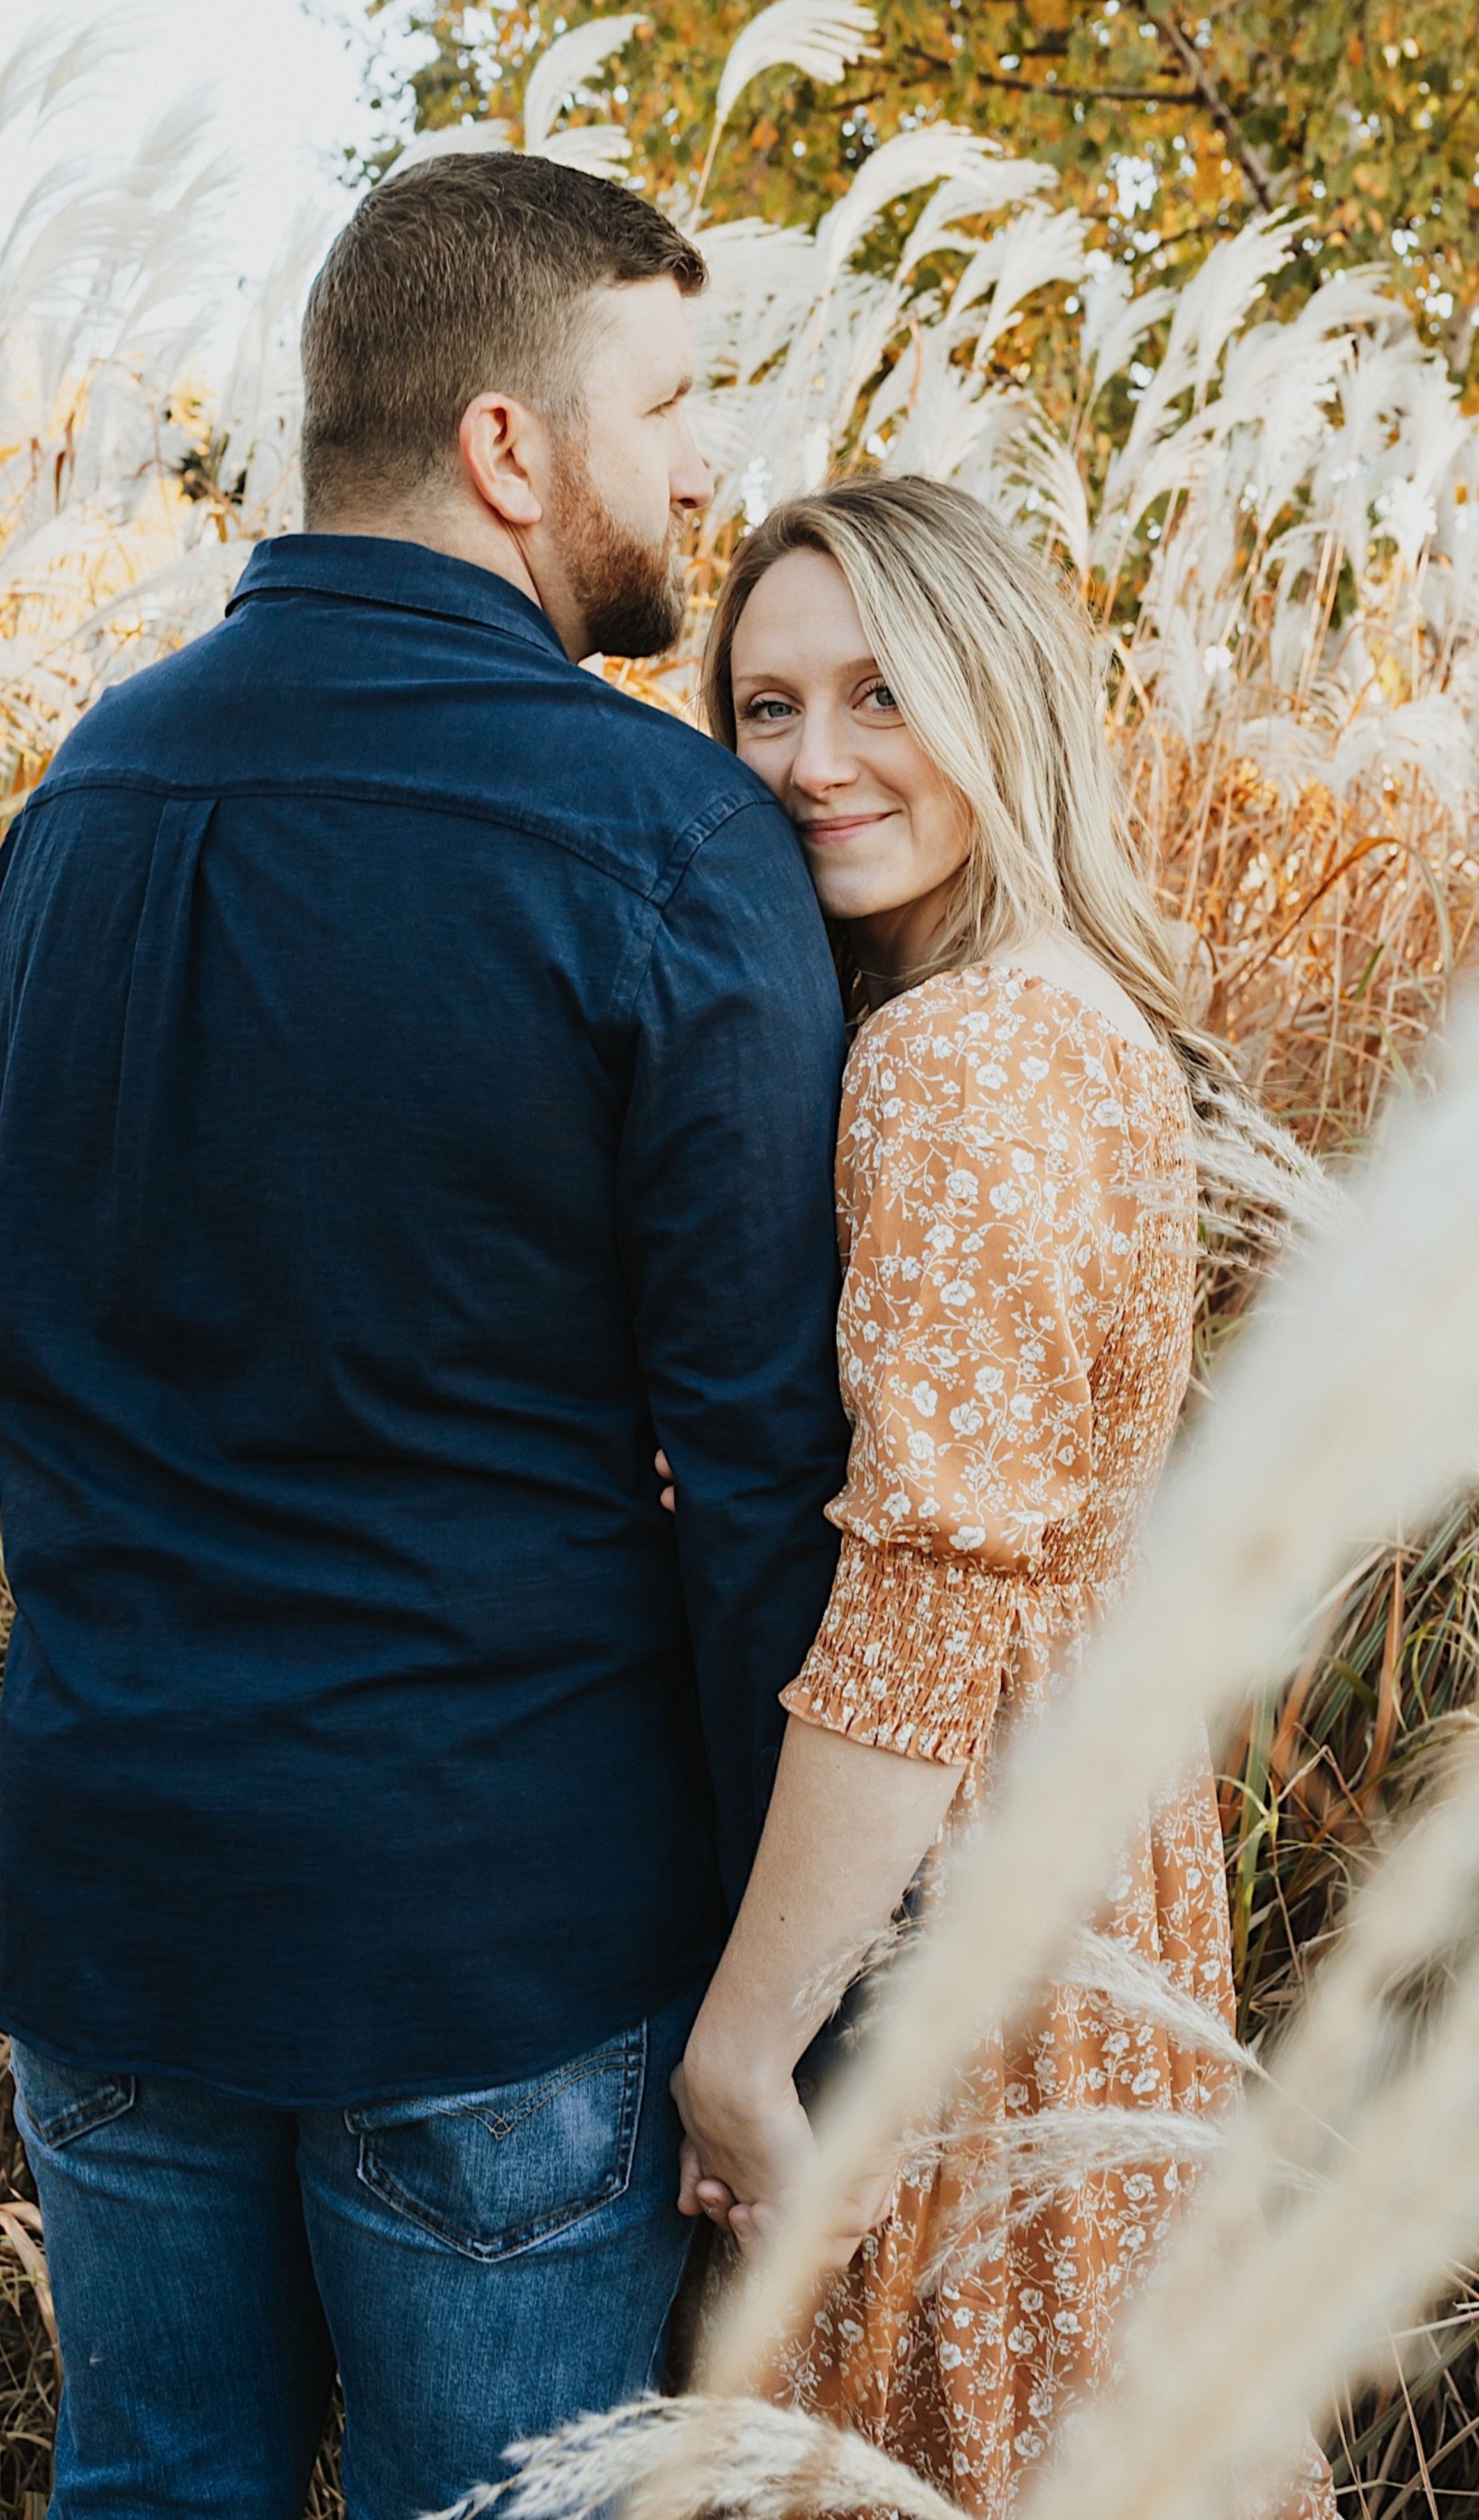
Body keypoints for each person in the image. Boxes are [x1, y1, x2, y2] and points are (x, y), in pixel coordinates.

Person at [0, 153, 853, 2517]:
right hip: (493, 1936)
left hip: (118, 1894)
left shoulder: (79, 798)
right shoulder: (664, 842)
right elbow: (763, 1469)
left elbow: (42, 1351)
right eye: (667, 402)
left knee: (152, 2487)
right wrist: (793, 2007)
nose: (700, 465)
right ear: (501, 446)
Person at [669, 475, 1334, 2519]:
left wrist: (739, 2048)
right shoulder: (1072, 1015)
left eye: (881, 692)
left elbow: (930, 1602)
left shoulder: (955, 1056)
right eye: (763, 707)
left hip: (957, 1915)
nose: (811, 760)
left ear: (1004, 697)